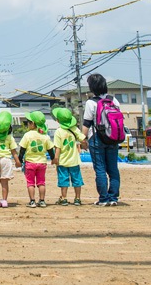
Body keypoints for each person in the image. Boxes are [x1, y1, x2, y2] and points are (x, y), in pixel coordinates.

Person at [81, 72, 121, 206]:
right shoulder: (113, 100)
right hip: (113, 138)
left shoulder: (91, 102)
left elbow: (86, 123)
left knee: (100, 168)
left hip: (97, 138)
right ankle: (113, 198)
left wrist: (82, 140)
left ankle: (103, 198)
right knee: (113, 169)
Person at [18, 111, 55, 208]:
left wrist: (19, 160)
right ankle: (42, 201)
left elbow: (22, 149)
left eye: (28, 122)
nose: (27, 124)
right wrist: (53, 159)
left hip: (30, 162)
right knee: (41, 182)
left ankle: (32, 201)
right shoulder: (45, 135)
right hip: (42, 163)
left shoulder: (27, 135)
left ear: (32, 123)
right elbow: (51, 150)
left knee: (30, 183)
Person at [51, 107, 86, 206]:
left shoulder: (58, 132)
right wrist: (85, 146)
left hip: (62, 161)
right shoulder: (74, 129)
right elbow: (83, 140)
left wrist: (56, 159)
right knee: (77, 180)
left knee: (63, 180)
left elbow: (57, 148)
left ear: (58, 120)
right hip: (74, 160)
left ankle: (64, 198)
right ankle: (77, 198)